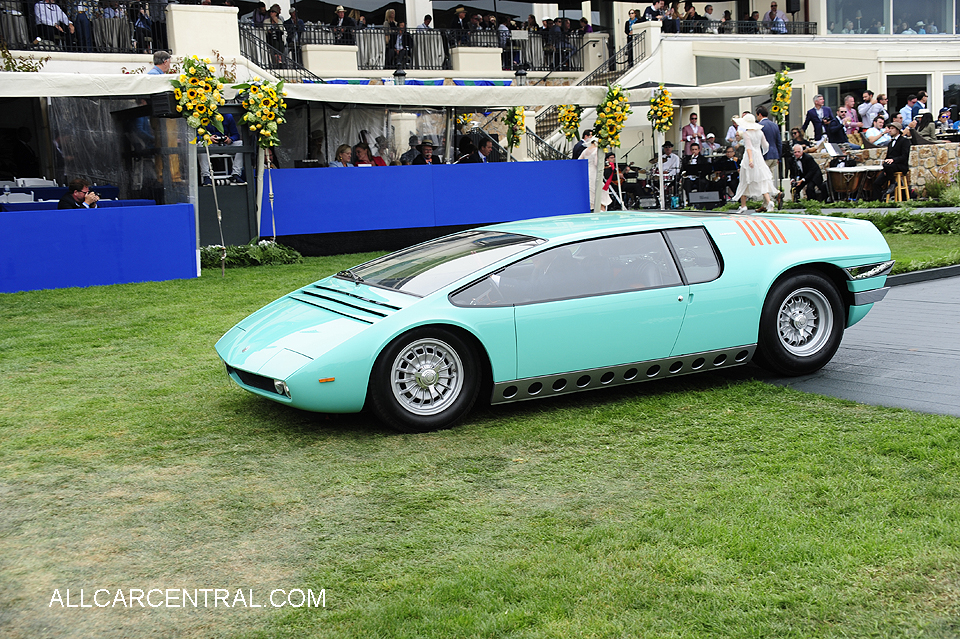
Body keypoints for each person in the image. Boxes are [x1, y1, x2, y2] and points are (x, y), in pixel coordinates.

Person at [731, 113, 779, 213]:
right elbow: (766, 145)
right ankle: (769, 201)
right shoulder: (760, 132)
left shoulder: (746, 134)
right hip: (759, 157)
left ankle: (743, 205)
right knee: (761, 179)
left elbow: (749, 148)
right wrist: (760, 153)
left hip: (749, 158)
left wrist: (751, 160)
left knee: (745, 180)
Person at [198, 113, 245, 186]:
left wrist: (230, 139)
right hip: (209, 144)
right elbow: (195, 136)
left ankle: (236, 174)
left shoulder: (228, 116)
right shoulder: (202, 115)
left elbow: (236, 135)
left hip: (225, 144)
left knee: (241, 143)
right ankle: (206, 176)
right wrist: (208, 138)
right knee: (200, 145)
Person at [871, 121, 911, 200]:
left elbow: (904, 156)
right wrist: (886, 165)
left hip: (900, 165)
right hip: (889, 167)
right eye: (889, 128)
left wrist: (893, 160)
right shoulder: (890, 143)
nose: (889, 130)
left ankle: (893, 183)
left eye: (892, 128)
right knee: (876, 183)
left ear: (897, 130)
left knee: (888, 165)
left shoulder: (904, 141)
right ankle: (877, 202)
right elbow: (888, 157)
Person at [756, 105, 780, 175]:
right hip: (774, 155)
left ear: (760, 115)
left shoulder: (759, 125)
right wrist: (778, 156)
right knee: (770, 177)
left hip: (765, 155)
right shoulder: (775, 125)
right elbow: (778, 142)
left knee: (763, 176)